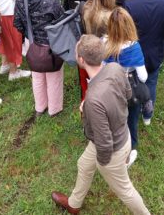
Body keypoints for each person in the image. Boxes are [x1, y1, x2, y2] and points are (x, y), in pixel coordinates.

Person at [51, 35, 150, 215]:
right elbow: (128, 95)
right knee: (83, 165)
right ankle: (74, 204)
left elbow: (104, 142)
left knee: (125, 190)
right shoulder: (115, 68)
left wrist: (103, 164)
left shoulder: (93, 99)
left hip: (111, 151)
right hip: (123, 134)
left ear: (82, 60)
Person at [125, 0, 164, 125]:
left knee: (135, 83)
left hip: (136, 53)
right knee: (151, 82)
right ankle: (147, 113)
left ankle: (136, 110)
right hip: (155, 51)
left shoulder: (130, 5)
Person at [14, 0, 65, 117]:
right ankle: (54, 109)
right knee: (54, 77)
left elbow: (17, 23)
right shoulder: (52, 0)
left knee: (37, 77)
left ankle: (40, 107)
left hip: (32, 43)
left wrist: (29, 36)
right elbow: (61, 22)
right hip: (51, 45)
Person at [103, 8, 148, 167]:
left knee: (114, 121)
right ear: (130, 26)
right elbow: (143, 77)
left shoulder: (105, 44)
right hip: (130, 92)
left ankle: (115, 148)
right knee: (131, 120)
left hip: (111, 91)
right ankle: (130, 149)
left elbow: (102, 68)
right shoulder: (134, 47)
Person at [79, 0, 118, 99]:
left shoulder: (86, 8)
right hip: (105, 55)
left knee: (88, 86)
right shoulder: (112, 16)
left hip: (88, 51)